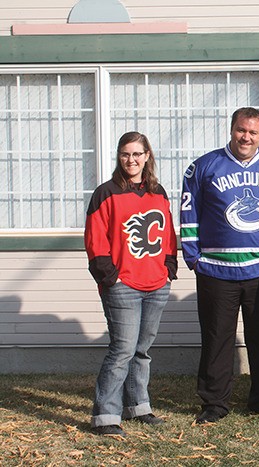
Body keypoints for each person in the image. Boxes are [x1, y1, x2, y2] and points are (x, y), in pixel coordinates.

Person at [180, 107, 259, 423]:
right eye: (241, 130)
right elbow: (189, 212)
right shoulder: (203, 167)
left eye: (253, 132)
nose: (246, 137)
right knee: (217, 338)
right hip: (216, 269)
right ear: (232, 130)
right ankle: (214, 404)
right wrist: (194, 257)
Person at [85, 131, 178, 437]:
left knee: (142, 350)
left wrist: (168, 266)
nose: (131, 160)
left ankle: (138, 406)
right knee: (122, 349)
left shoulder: (158, 192)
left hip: (155, 282)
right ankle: (105, 415)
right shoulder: (106, 193)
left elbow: (167, 233)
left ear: (147, 156)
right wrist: (109, 275)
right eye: (126, 154)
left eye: (137, 154)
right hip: (123, 283)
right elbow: (95, 239)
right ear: (119, 156)